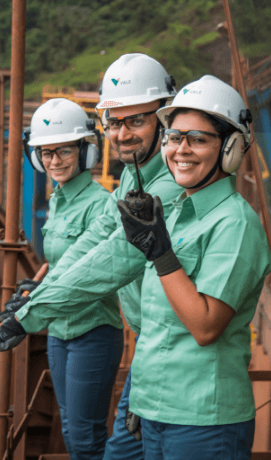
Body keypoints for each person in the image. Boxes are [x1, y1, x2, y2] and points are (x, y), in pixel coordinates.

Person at [0, 54, 182, 460]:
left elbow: (115, 258)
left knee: (106, 447)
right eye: (114, 122)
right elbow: (92, 246)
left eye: (136, 120)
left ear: (164, 119)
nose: (123, 133)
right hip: (153, 350)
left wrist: (29, 314)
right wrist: (39, 293)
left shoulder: (167, 186)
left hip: (175, 355)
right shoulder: (132, 183)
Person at [117, 75, 271, 460]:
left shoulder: (235, 223)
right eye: (174, 137)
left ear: (232, 148)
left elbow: (205, 326)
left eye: (198, 139)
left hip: (205, 422)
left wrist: (161, 254)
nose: (180, 149)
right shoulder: (174, 214)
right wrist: (144, 398)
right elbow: (156, 325)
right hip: (157, 412)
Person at [0, 98, 124, 460]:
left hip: (93, 331)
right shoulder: (58, 200)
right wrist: (37, 286)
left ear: (85, 151)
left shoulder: (101, 205)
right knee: (70, 426)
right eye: (46, 153)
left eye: (64, 151)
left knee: (86, 435)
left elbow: (90, 270)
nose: (54, 161)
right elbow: (61, 262)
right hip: (59, 330)